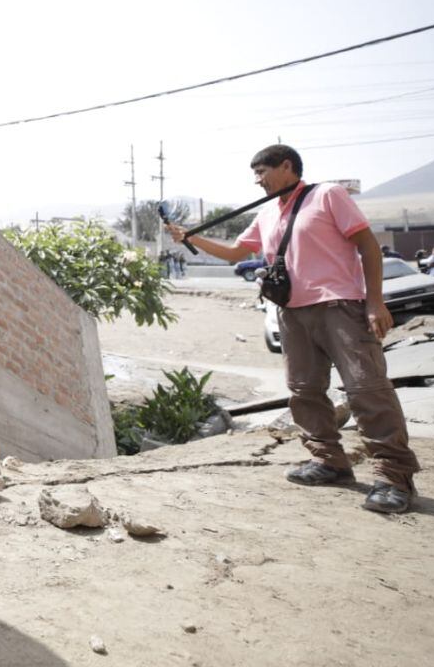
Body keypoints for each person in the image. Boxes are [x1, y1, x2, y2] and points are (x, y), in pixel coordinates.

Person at [165, 144, 419, 514]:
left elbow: (368, 245)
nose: (258, 181)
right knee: (304, 391)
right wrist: (190, 237)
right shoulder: (268, 212)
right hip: (291, 312)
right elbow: (237, 252)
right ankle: (329, 461)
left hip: (339, 306)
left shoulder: (328, 195)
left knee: (367, 389)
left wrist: (375, 301)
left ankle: (395, 477)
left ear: (287, 166)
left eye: (262, 172)